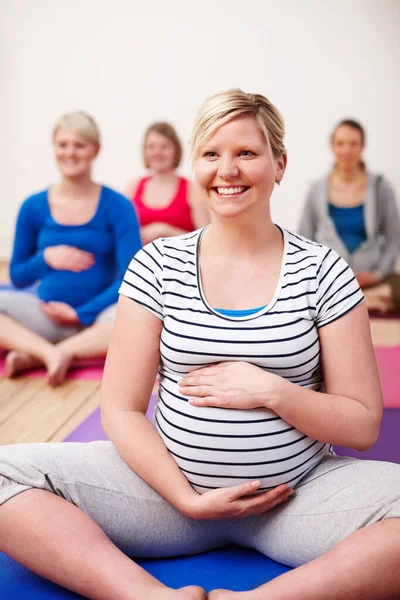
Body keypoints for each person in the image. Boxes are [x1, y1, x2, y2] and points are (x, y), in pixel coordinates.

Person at [0, 89, 399, 600]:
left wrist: (272, 391)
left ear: (279, 164)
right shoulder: (156, 266)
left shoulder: (323, 271)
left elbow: (363, 424)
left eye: (246, 153)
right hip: (163, 498)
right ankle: (149, 598)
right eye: (211, 154)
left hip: (296, 499)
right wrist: (186, 499)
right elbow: (120, 409)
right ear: (197, 166)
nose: (226, 170)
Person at [0, 112, 141, 386]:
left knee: (140, 322)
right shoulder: (33, 206)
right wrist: (46, 258)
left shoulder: (118, 206)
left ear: (95, 150)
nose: (70, 153)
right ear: (54, 148)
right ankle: (49, 353)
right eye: (63, 144)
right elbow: (17, 276)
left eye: (80, 145)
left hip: (102, 317)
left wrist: (81, 313)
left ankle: (47, 353)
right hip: (47, 312)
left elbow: (131, 276)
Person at [299, 119, 400, 314]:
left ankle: (352, 300)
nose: (347, 151)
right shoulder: (316, 190)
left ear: (362, 147)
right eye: (340, 143)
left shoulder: (380, 186)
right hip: (329, 278)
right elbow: (305, 238)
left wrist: (376, 275)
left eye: (353, 144)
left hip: (372, 279)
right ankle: (368, 301)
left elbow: (394, 238)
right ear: (332, 146)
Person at [125, 122, 209, 244]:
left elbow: (206, 240)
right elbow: (119, 233)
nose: (157, 152)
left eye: (164, 146)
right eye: (151, 147)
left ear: (176, 150)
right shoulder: (132, 187)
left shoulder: (192, 190)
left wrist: (166, 231)